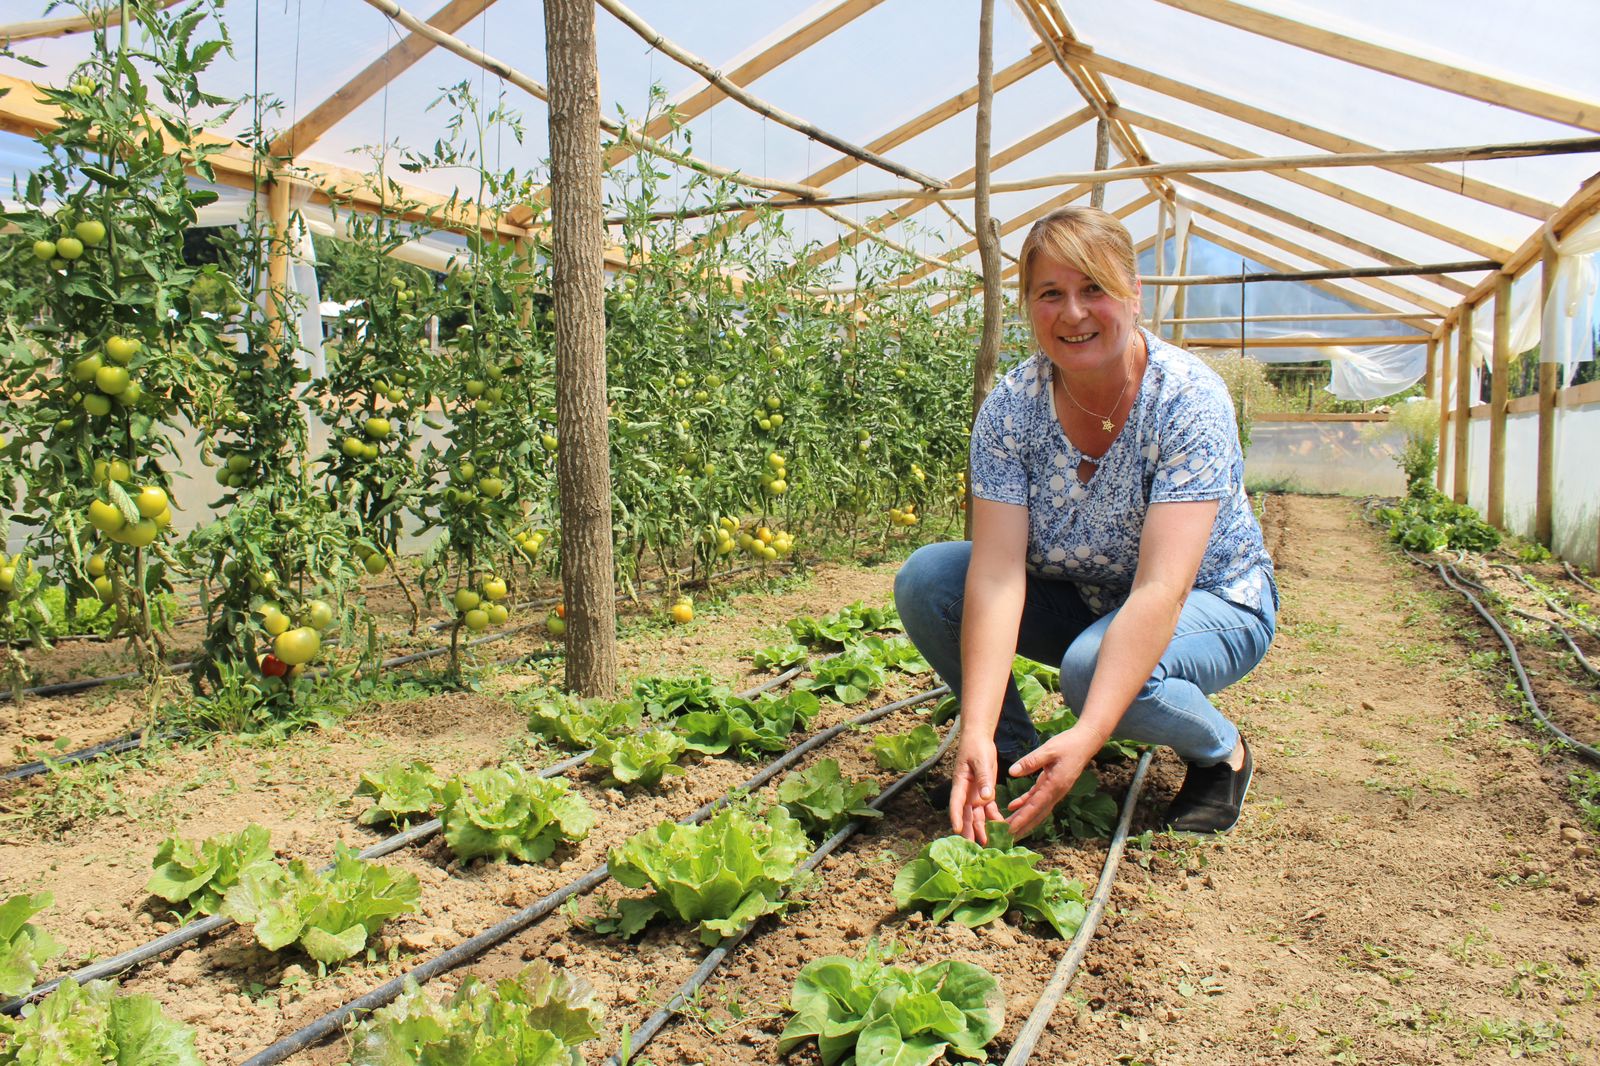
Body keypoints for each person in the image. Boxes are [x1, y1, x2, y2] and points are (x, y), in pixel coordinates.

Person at [894, 206, 1277, 845]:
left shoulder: (1186, 401)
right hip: (1087, 599)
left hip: (1215, 601)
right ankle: (1011, 762)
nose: (1072, 313)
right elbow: (994, 576)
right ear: (1029, 306)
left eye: (1093, 288)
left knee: (1089, 673)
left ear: (1134, 294)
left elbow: (1161, 590)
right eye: (1051, 294)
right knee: (931, 579)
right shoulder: (1013, 408)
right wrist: (977, 733)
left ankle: (1222, 752)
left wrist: (1091, 732)